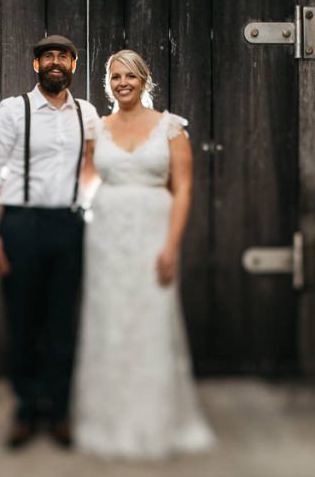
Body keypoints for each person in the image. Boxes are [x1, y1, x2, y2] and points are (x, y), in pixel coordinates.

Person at [73, 49, 215, 460]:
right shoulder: (96, 129)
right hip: (108, 236)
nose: (122, 83)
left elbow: (183, 188)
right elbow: (85, 176)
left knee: (153, 318)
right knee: (110, 319)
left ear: (144, 80)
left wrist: (171, 244)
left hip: (154, 232)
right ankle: (107, 420)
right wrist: (87, 211)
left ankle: (156, 421)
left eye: (130, 76)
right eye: (115, 77)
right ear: (108, 83)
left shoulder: (170, 128)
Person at [0, 34, 99, 450]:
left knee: (63, 320)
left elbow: (94, 166)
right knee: (24, 320)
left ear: (73, 65)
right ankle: (27, 409)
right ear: (36, 65)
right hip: (21, 226)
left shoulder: (87, 113)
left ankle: (59, 411)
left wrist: (89, 205)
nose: (55, 62)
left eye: (63, 56)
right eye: (48, 56)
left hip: (68, 224)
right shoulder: (13, 110)